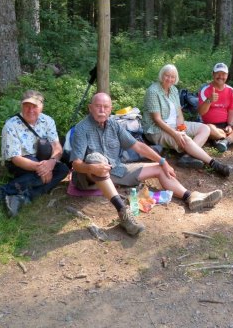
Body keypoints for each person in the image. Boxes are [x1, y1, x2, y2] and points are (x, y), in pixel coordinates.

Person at [69, 92, 223, 237]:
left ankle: (191, 197)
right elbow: (76, 164)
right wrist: (91, 167)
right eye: (98, 106)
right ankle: (123, 213)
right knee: (96, 158)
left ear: (110, 109)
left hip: (115, 170)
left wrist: (162, 161)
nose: (102, 110)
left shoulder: (113, 125)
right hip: (88, 177)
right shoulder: (82, 128)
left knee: (159, 169)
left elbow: (138, 146)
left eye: (106, 107)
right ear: (90, 108)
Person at [0, 90, 70, 217]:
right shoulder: (11, 125)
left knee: (63, 169)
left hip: (42, 160)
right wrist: (43, 169)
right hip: (19, 162)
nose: (30, 110)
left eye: (34, 106)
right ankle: (1, 191)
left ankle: (21, 198)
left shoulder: (48, 121)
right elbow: (15, 159)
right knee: (39, 174)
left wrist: (51, 163)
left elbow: (57, 147)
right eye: (26, 106)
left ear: (41, 107)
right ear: (21, 106)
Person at [142, 64, 233, 177]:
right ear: (161, 75)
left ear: (176, 79)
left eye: (173, 77)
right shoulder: (153, 91)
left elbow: (179, 113)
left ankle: (187, 157)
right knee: (185, 139)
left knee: (204, 128)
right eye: (167, 76)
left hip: (174, 125)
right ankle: (214, 164)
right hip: (156, 130)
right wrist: (176, 134)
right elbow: (157, 120)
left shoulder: (174, 90)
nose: (170, 79)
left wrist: (181, 128)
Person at [198, 62, 233, 152]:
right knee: (208, 128)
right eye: (218, 74)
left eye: (223, 74)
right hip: (211, 125)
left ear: (227, 76)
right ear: (213, 74)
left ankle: (225, 141)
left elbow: (231, 110)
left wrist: (230, 125)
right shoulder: (205, 90)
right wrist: (209, 100)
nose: (221, 76)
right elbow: (201, 112)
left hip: (226, 126)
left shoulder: (231, 91)